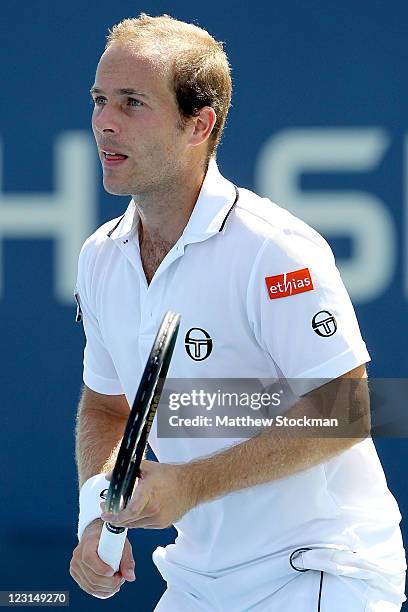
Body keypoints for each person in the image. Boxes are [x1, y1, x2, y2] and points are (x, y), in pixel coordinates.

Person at [69, 12, 406, 611]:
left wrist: (192, 484)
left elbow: (352, 406)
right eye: (99, 100)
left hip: (321, 567)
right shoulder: (100, 258)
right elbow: (107, 407)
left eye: (131, 103)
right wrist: (99, 508)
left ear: (199, 125)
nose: (103, 123)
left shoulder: (274, 250)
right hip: (201, 579)